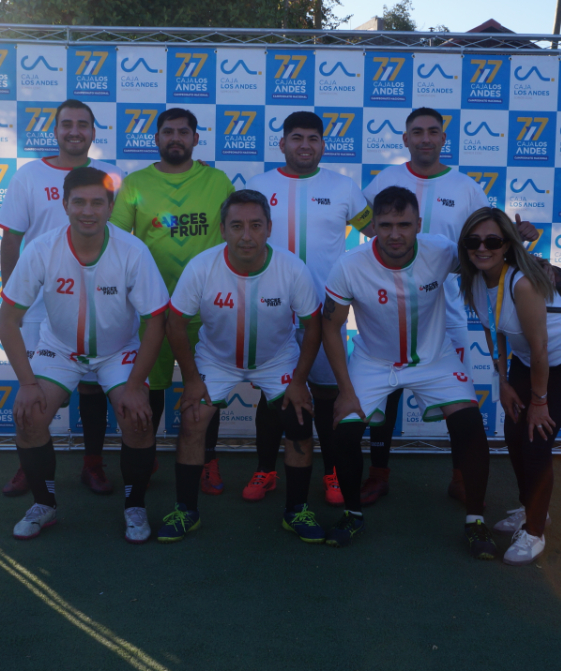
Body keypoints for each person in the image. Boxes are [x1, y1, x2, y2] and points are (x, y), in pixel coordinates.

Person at [360, 107, 536, 507]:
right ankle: (378, 473)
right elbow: (365, 224)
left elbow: (488, 234)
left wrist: (519, 235)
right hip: (389, 306)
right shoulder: (385, 180)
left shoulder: (466, 187)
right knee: (386, 392)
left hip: (448, 308)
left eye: (433, 131)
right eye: (417, 131)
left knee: (459, 398)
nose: (425, 138)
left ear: (443, 139)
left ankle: (461, 477)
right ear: (405, 139)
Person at [320, 186, 497, 559]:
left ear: (418, 223)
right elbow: (330, 328)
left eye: (404, 224)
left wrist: (525, 252)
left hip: (435, 359)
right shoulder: (349, 265)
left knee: (470, 426)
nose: (395, 234)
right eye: (385, 225)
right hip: (373, 362)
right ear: (373, 226)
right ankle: (352, 515)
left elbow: (487, 256)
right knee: (344, 433)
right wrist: (346, 391)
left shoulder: (441, 250)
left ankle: (475, 521)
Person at [0, 167, 170, 544]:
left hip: (117, 351)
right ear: (64, 205)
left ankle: (135, 506)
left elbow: (156, 320)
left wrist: (136, 385)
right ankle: (44, 505)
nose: (87, 211)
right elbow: (7, 320)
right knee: (28, 416)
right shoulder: (42, 249)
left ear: (110, 207)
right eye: (79, 202)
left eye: (97, 203)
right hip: (59, 349)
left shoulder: (132, 251)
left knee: (138, 420)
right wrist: (27, 383)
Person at [162, 190, 324, 543]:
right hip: (216, 360)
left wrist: (299, 381)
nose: (246, 236)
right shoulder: (202, 266)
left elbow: (313, 326)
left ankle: (297, 510)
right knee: (192, 419)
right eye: (237, 226)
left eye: (255, 225)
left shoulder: (292, 268)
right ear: (222, 229)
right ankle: (185, 511)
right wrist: (191, 379)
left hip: (276, 359)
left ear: (269, 228)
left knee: (299, 421)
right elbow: (174, 323)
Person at [0, 99, 127, 498]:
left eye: (83, 124)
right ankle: (30, 467)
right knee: (34, 387)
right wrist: (12, 297)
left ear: (93, 132)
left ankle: (93, 463)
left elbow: (123, 238)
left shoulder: (112, 176)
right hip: (38, 304)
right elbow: (11, 238)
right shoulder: (28, 175)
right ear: (55, 131)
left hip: (96, 300)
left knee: (92, 387)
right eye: (67, 124)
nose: (74, 131)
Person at [241, 111, 371, 507]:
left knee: (329, 396)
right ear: (282, 144)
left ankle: (332, 472)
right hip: (272, 310)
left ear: (323, 145)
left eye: (313, 138)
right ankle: (266, 470)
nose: (305, 145)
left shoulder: (344, 188)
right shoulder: (258, 186)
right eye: (296, 138)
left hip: (326, 314)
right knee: (273, 395)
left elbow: (379, 234)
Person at [458, 206, 561, 565]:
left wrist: (539, 401)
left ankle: (534, 532)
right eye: (473, 241)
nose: (482, 248)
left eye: (492, 241)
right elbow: (493, 332)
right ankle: (530, 508)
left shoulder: (522, 282)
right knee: (513, 432)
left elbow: (541, 348)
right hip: (525, 359)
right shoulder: (474, 280)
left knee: (536, 438)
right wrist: (502, 381)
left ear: (506, 245)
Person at [111, 108, 233, 494]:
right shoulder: (135, 183)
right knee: (152, 388)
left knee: (206, 388)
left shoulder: (217, 180)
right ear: (157, 139)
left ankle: (208, 460)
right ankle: (146, 456)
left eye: (183, 132)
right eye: (168, 132)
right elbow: (116, 241)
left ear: (196, 139)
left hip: (208, 307)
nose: (175, 138)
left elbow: (236, 234)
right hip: (153, 308)